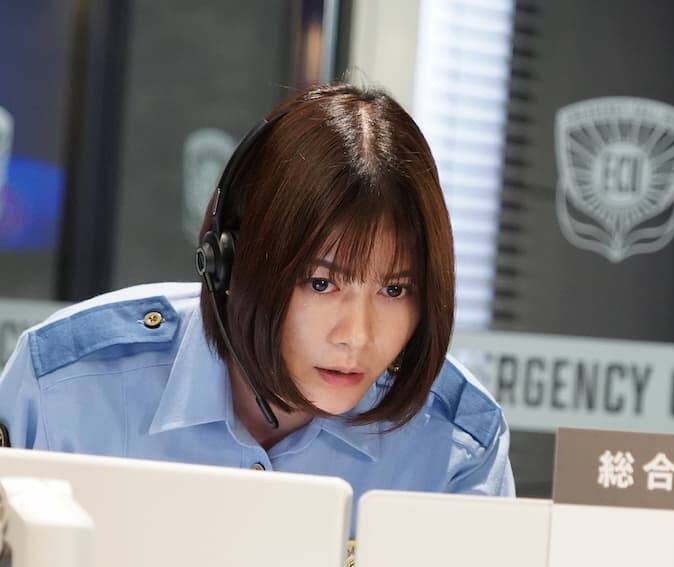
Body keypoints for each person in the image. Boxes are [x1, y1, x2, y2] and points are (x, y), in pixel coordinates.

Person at [0, 84, 515, 515]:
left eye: (393, 290)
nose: (357, 335)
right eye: (321, 283)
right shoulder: (63, 391)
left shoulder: (457, 449)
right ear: (230, 264)